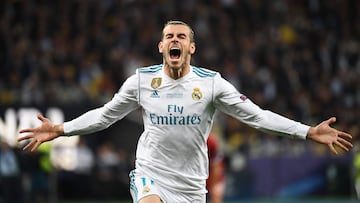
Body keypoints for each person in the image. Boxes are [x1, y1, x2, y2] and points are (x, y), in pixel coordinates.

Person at [18, 20, 353, 203]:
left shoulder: (212, 84)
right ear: (162, 47)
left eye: (181, 36)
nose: (174, 40)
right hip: (152, 174)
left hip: (192, 187)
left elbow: (258, 116)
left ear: (191, 47)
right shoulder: (140, 81)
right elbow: (105, 115)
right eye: (169, 36)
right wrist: (61, 129)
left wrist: (307, 131)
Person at [206, 133, 225, 203]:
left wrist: (213, 186)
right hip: (197, 175)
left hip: (214, 176)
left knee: (216, 195)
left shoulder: (211, 141)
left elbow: (216, 167)